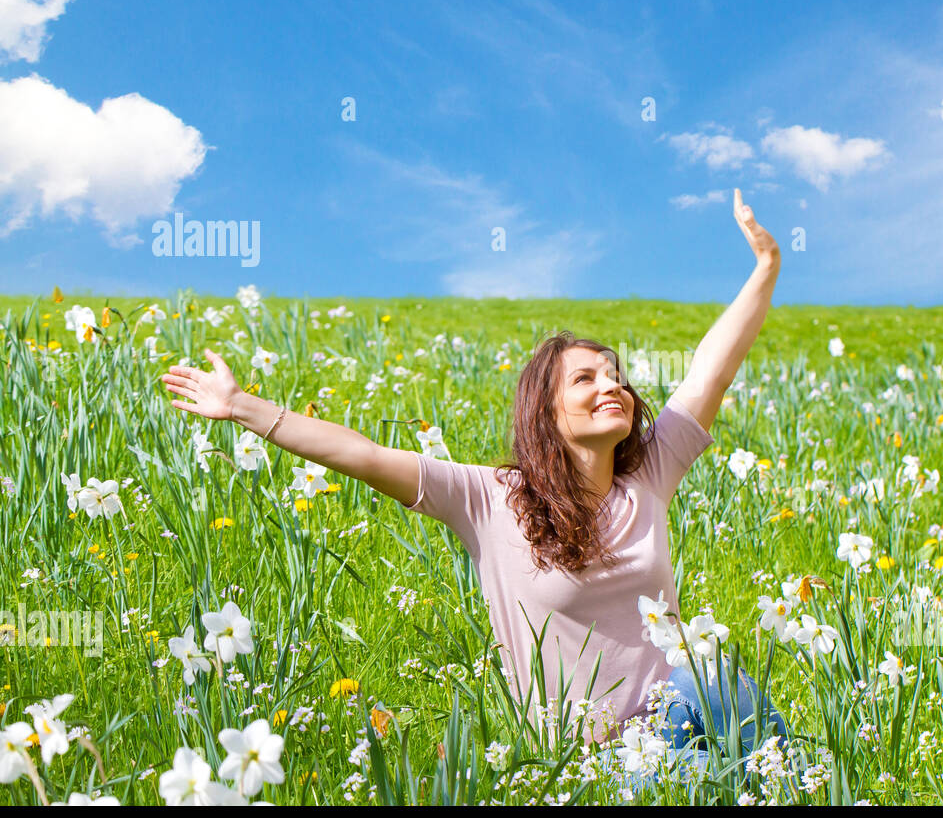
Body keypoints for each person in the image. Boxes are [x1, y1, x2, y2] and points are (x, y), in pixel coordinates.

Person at [161, 188, 788, 785]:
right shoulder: (490, 498)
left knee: (710, 678)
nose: (612, 387)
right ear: (545, 411)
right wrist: (243, 407)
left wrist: (766, 265)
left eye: (617, 376)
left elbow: (711, 371)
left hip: (677, 716)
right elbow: (366, 454)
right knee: (698, 781)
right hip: (588, 763)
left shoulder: (649, 474)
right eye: (586, 379)